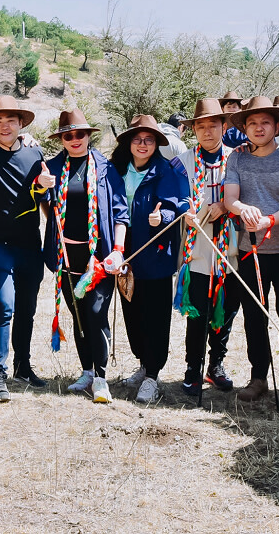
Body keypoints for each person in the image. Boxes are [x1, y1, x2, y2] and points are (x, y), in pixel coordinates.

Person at [222, 97, 279, 403]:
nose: (259, 128)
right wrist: (242, 209)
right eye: (252, 123)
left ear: (276, 126)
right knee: (254, 315)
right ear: (245, 128)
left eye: (265, 123)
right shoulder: (237, 159)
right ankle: (258, 376)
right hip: (250, 250)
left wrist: (269, 220)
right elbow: (230, 198)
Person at [42, 109, 129, 403]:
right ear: (61, 140)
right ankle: (87, 372)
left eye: (80, 134)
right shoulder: (52, 167)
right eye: (68, 136)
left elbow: (120, 212)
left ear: (88, 136)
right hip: (67, 255)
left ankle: (101, 379)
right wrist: (42, 187)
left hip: (99, 257)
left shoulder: (105, 169)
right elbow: (43, 201)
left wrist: (118, 250)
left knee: (95, 313)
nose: (75, 139)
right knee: (78, 314)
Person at [0, 95, 51, 402]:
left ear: (21, 124)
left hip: (31, 244)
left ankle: (23, 366)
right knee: (5, 305)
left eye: (10, 121)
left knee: (27, 309)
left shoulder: (35, 153)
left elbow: (43, 196)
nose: (4, 127)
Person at [108, 115, 184, 404]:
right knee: (133, 313)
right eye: (138, 139)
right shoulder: (116, 169)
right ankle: (143, 364)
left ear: (156, 144)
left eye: (149, 140)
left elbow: (174, 206)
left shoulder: (165, 171)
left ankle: (153, 375)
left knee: (156, 316)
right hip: (124, 253)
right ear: (129, 142)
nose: (143, 145)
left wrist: (161, 216)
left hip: (155, 253)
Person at [176, 99, 242, 394]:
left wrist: (225, 206)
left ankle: (216, 365)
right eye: (200, 126)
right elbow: (174, 196)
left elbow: (246, 193)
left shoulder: (237, 158)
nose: (207, 131)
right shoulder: (182, 162)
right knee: (198, 312)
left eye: (212, 125)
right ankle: (193, 367)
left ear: (223, 127)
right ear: (194, 130)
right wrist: (184, 211)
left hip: (230, 247)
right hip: (198, 248)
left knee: (226, 309)